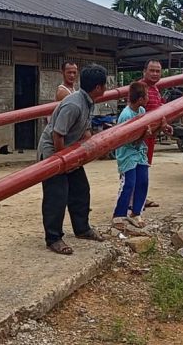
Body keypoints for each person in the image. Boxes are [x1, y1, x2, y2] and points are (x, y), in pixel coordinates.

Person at [38, 64, 108, 255]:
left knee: (80, 189)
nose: (106, 88)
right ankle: (53, 238)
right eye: (105, 85)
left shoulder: (88, 101)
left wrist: (88, 143)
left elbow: (83, 128)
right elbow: (57, 135)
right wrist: (64, 162)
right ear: (98, 88)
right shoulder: (74, 104)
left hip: (70, 152)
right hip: (54, 152)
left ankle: (82, 229)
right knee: (57, 196)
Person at [111, 82, 164, 232]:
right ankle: (118, 215)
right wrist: (143, 137)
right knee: (128, 184)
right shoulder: (126, 115)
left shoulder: (141, 110)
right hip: (127, 154)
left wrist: (160, 127)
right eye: (146, 95)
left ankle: (136, 212)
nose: (148, 98)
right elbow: (127, 141)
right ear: (140, 98)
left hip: (139, 152)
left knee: (143, 182)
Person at [137, 59, 174, 208]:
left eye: (157, 71)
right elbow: (135, 112)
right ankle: (134, 199)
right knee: (137, 167)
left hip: (151, 135)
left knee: (144, 166)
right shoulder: (140, 88)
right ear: (144, 71)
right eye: (151, 70)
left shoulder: (155, 89)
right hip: (141, 136)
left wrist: (164, 124)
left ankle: (141, 197)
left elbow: (159, 110)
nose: (154, 74)